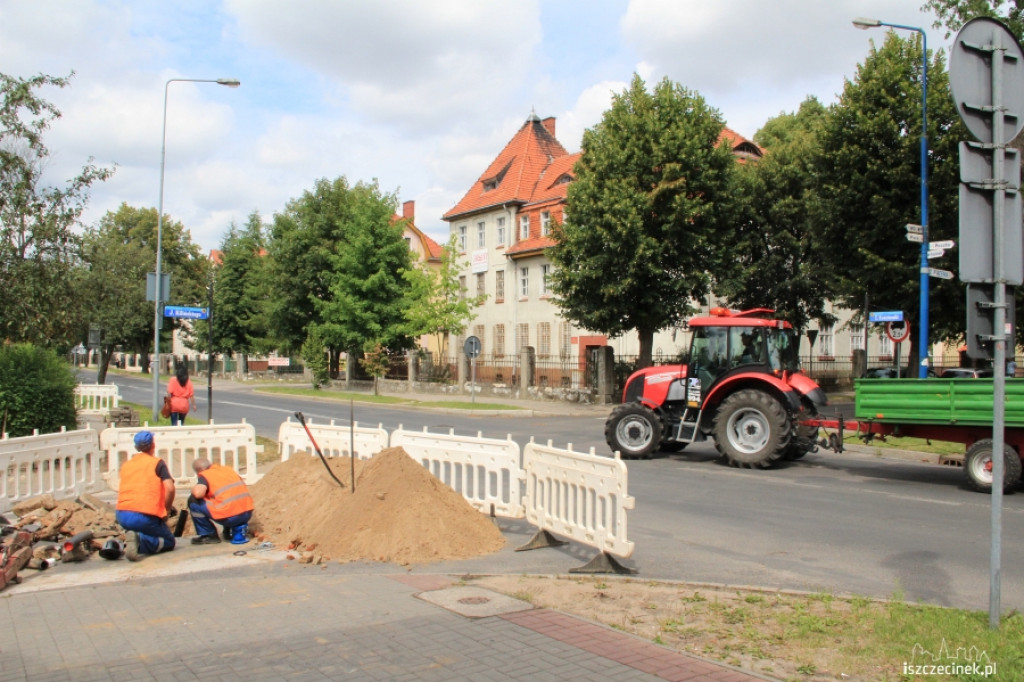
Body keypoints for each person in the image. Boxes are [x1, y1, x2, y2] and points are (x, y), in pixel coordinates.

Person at [115, 431, 176, 561]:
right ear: (153, 445)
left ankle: (119, 545)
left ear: (136, 446)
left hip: (122, 514)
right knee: (168, 541)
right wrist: (167, 509)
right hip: (144, 515)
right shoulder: (157, 463)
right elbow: (170, 488)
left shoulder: (127, 465)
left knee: (141, 530)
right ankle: (140, 541)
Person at [188, 457, 254, 545]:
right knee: (221, 500)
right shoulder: (227, 469)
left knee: (193, 501)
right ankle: (227, 531)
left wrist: (194, 488)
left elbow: (198, 493)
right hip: (247, 514)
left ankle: (209, 535)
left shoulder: (205, 475)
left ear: (199, 470)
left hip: (230, 518)